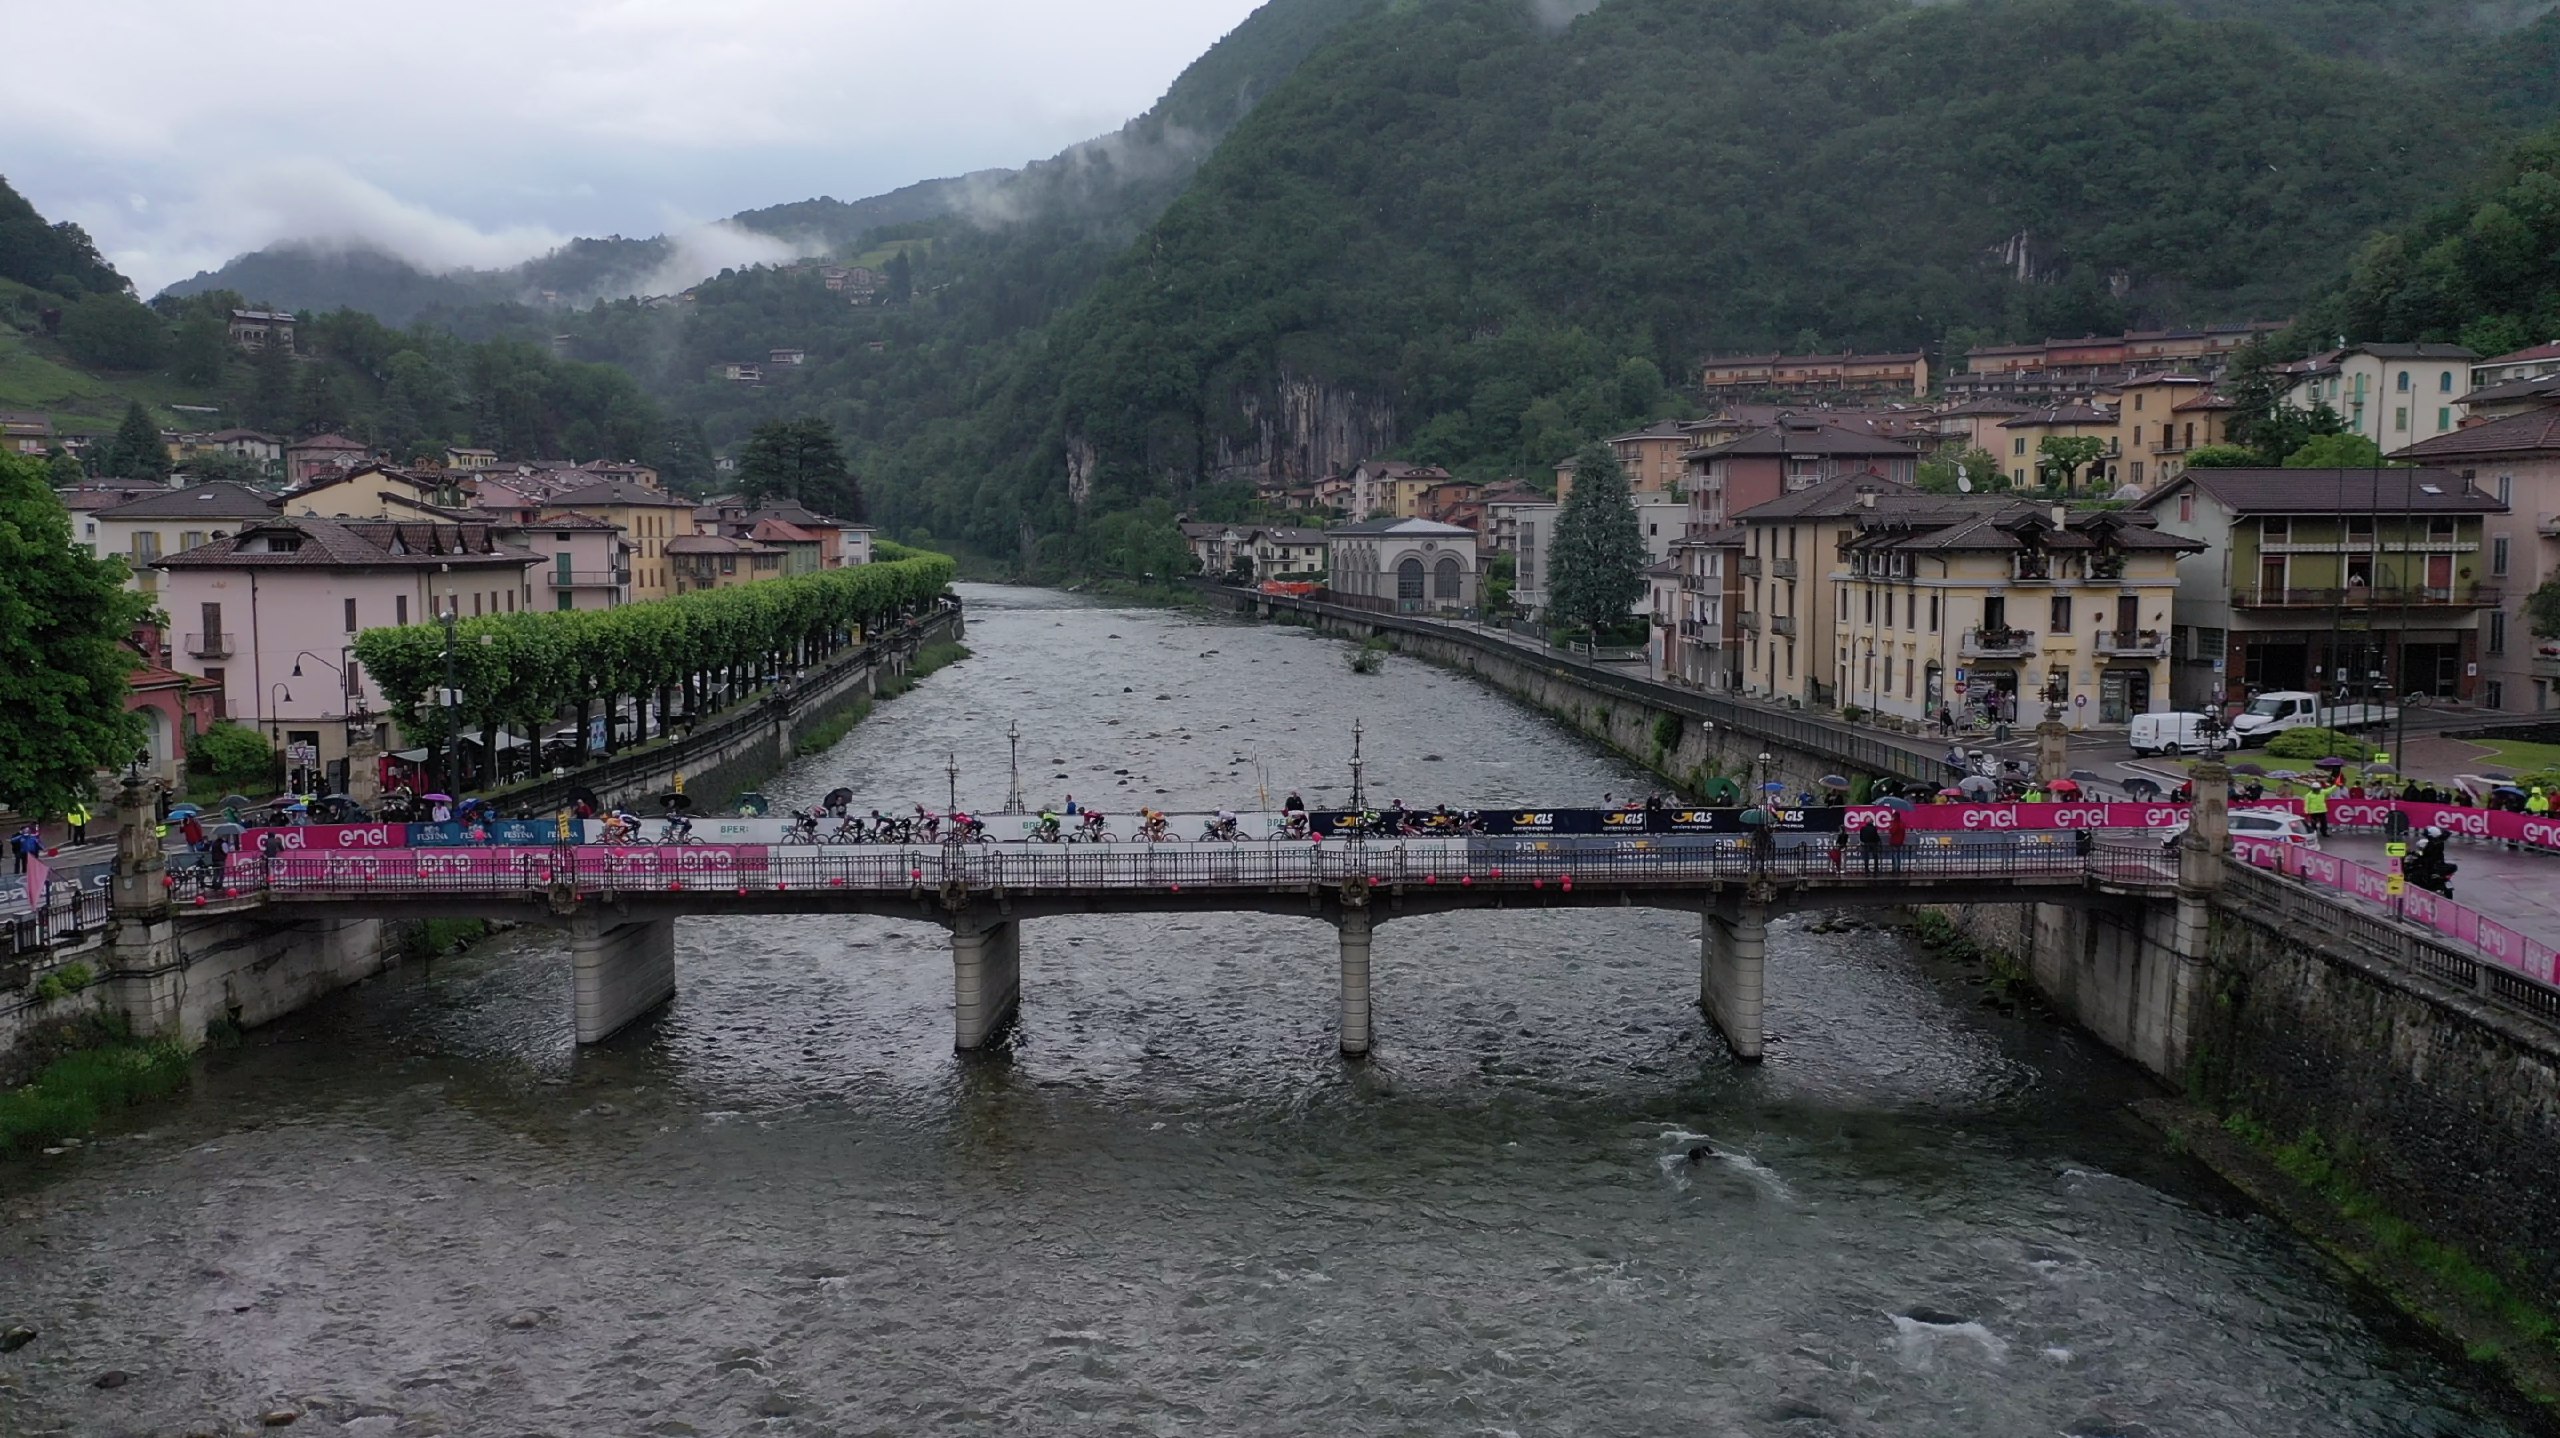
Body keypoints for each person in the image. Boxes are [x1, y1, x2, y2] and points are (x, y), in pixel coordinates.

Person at [1887, 809, 1909, 873]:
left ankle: (1895, 869)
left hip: (1894, 841)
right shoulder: (1902, 823)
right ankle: (1898, 868)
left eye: (1893, 816)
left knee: (1894, 856)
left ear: (1895, 816)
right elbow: (1903, 833)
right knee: (1899, 856)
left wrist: (1890, 828)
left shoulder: (1895, 823)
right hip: (1900, 841)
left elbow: (1892, 831)